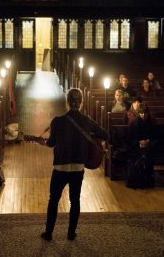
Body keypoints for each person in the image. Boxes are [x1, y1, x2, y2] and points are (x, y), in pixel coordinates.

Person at [39, 88, 109, 241]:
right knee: (75, 200)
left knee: (54, 200)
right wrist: (90, 136)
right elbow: (105, 135)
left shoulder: (57, 121)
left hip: (60, 168)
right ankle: (71, 233)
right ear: (81, 102)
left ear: (67, 102)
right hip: (78, 168)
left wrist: (43, 142)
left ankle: (49, 233)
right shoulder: (87, 121)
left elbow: (51, 144)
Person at [127, 103, 159, 188]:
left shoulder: (152, 122)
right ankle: (139, 179)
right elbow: (130, 138)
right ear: (138, 113)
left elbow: (156, 136)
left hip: (150, 145)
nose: (143, 115)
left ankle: (148, 179)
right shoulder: (134, 123)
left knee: (149, 154)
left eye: (145, 113)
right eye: (141, 113)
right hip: (137, 145)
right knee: (139, 155)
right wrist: (139, 142)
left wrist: (148, 141)